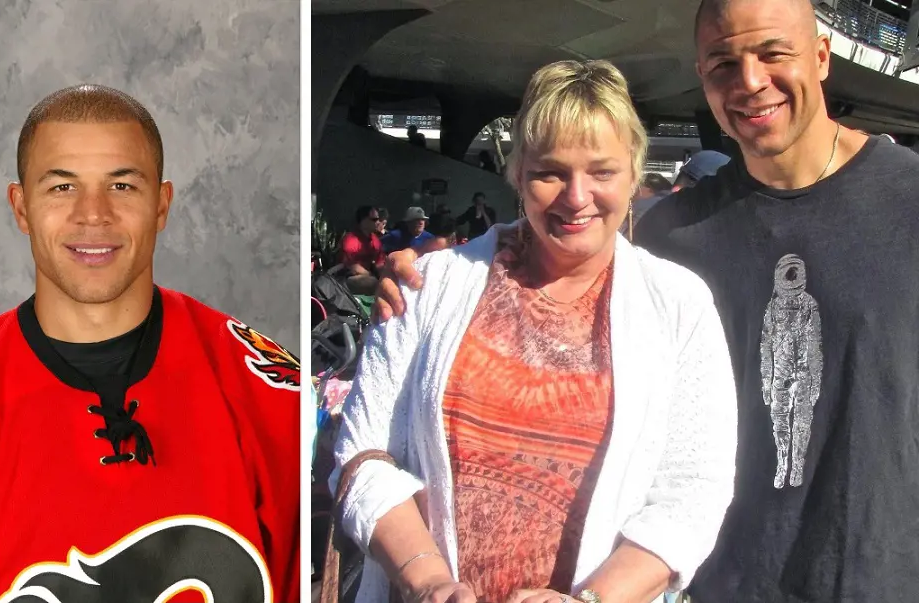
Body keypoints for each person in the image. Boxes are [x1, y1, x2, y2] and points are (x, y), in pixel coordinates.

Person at [373, 0, 919, 601]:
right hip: (719, 585)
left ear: (821, 56)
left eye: (772, 53)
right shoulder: (673, 237)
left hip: (881, 578)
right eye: (722, 64)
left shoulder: (908, 202)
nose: (750, 81)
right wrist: (429, 275)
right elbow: (564, 243)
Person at [332, 60, 737, 603]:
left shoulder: (680, 306)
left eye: (602, 171)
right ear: (517, 173)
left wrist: (592, 600)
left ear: (634, 175)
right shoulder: (428, 285)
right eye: (551, 171)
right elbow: (362, 455)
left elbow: (692, 494)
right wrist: (428, 581)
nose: (576, 196)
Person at [0, 84, 299, 603]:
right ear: (21, 208)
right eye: (62, 188)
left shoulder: (268, 392)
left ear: (161, 203)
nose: (93, 214)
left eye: (123, 186)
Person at [339, 205, 387, 294]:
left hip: (368, 277)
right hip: (348, 278)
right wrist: (372, 276)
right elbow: (352, 267)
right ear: (363, 221)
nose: (378, 222)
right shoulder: (350, 239)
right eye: (374, 219)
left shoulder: (375, 240)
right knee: (374, 283)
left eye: (378, 219)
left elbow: (379, 264)